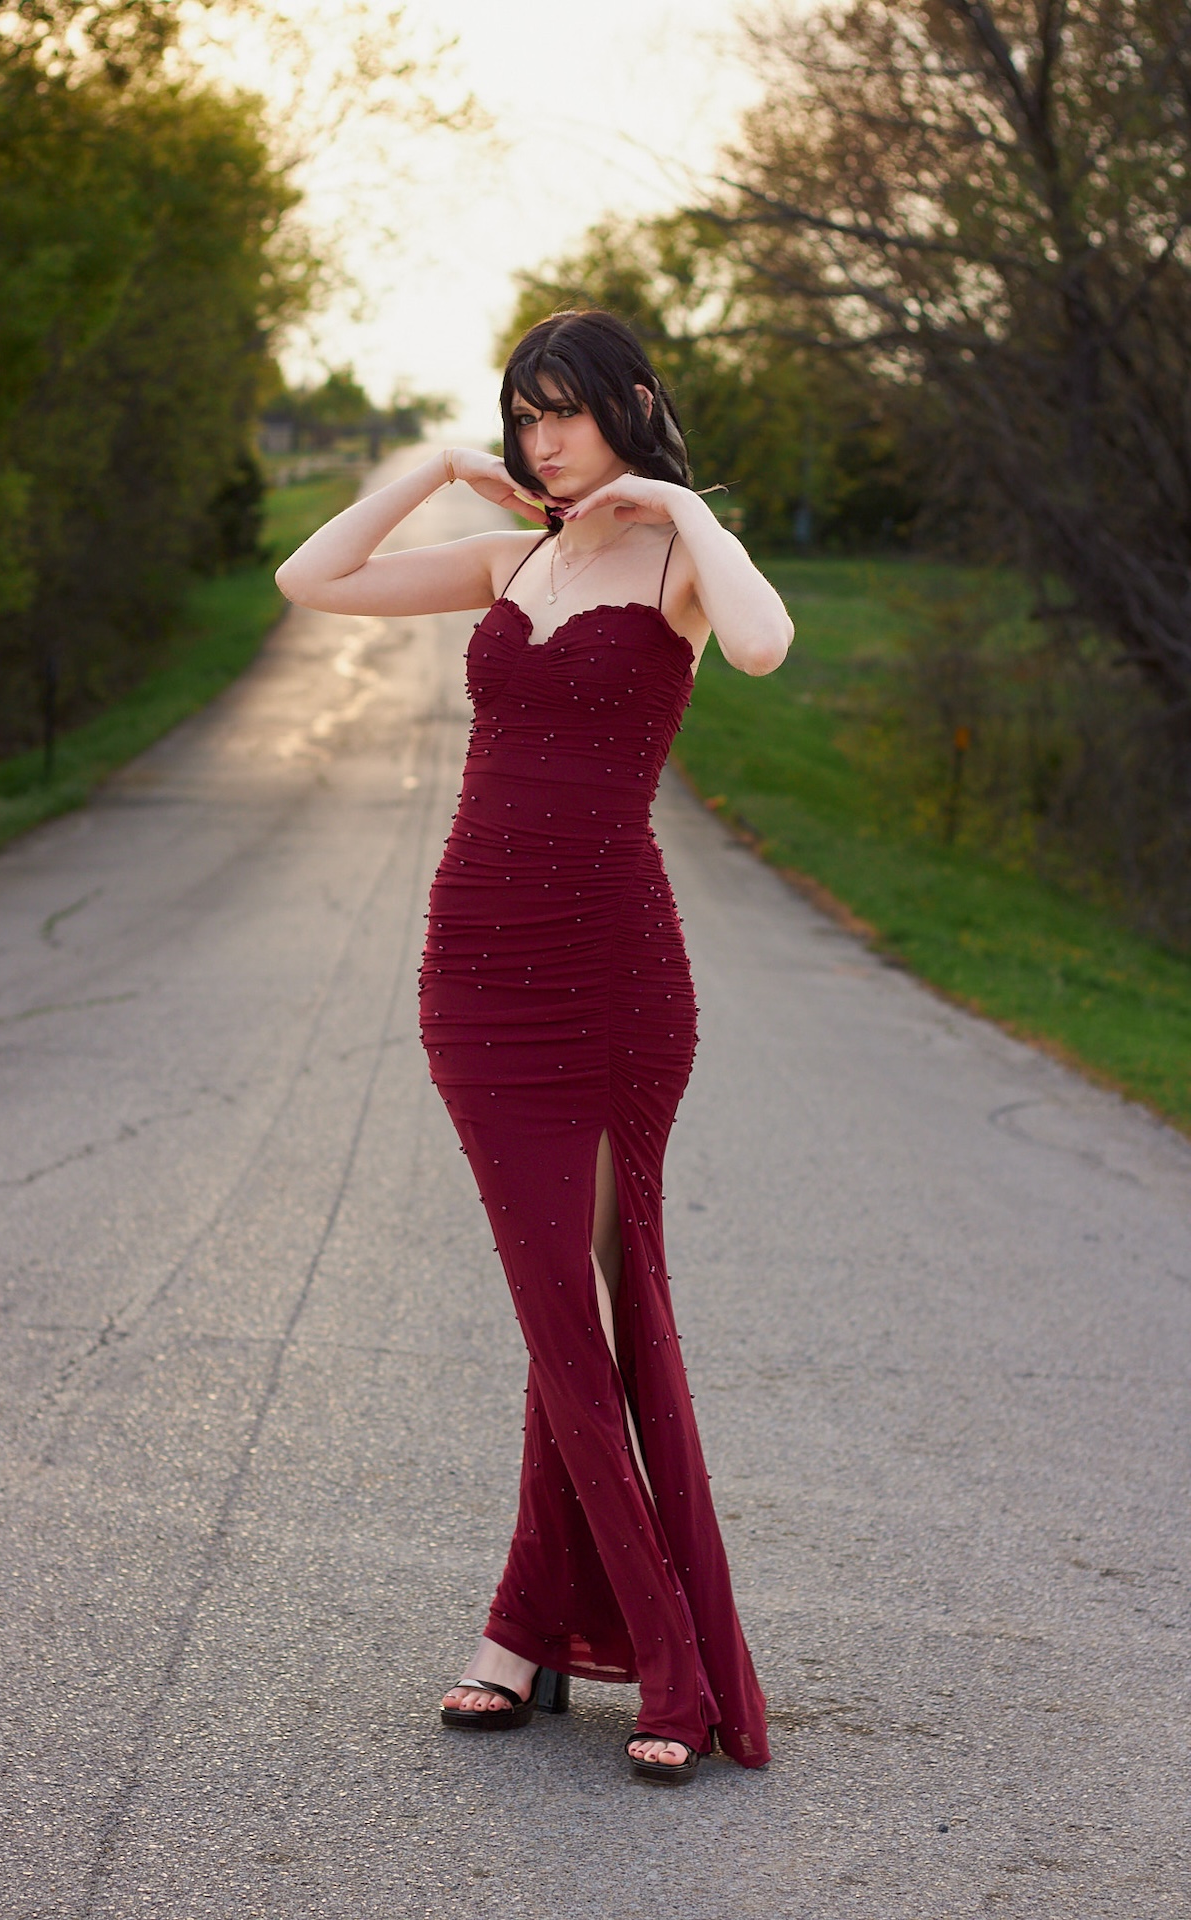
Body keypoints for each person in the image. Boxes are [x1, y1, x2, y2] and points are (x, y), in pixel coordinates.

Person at [276, 309, 792, 1783]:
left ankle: (559, 1644)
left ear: (631, 405)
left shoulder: (686, 565)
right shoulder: (512, 558)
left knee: (594, 1312)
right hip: (477, 970)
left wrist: (685, 504)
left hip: (620, 977)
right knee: (553, 1304)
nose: (540, 443)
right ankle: (626, 1652)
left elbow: (760, 645)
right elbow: (310, 578)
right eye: (520, 419)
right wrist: (438, 465)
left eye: (560, 414)